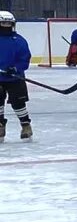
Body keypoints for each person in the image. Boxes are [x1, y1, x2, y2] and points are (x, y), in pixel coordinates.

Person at [0, 11, 33, 141]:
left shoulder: (19, 41)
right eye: (3, 23)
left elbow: (24, 60)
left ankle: (26, 125)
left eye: (9, 23)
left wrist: (15, 68)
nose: (6, 26)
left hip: (15, 77)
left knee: (18, 103)